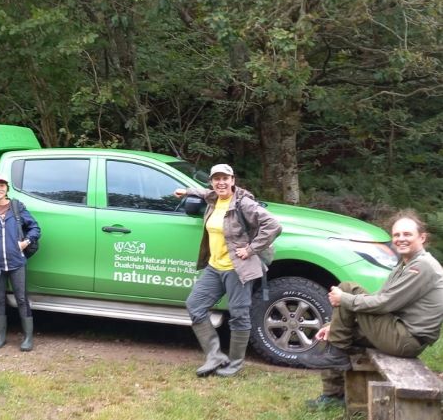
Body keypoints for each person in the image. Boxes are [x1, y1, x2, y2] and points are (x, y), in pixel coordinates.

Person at [301, 210, 443, 410]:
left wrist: (344, 298)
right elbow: (378, 298)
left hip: (406, 339)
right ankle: (332, 396)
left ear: (422, 237)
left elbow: (384, 303)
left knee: (348, 288)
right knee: (333, 333)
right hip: (396, 331)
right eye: (396, 235)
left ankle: (337, 354)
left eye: (407, 234)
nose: (401, 239)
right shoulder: (404, 265)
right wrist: (334, 324)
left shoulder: (422, 266)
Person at [174, 164, 281, 377]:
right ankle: (215, 356)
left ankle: (235, 364)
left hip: (237, 268)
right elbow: (204, 192)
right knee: (195, 305)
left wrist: (251, 249)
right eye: (216, 178)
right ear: (212, 181)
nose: (220, 182)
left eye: (225, 178)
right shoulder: (214, 198)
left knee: (239, 315)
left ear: (233, 180)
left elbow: (273, 225)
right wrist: (186, 191)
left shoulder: (244, 203)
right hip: (215, 267)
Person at [0, 174, 40, 351]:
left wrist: (26, 242)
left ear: (7, 188)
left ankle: (27, 338)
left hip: (17, 262)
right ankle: (0, 336)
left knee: (21, 298)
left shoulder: (16, 207)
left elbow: (35, 228)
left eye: (2, 185)